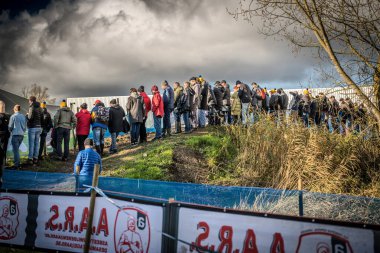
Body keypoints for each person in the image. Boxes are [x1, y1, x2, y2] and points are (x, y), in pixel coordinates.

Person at [26, 96, 43, 165]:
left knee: (31, 144)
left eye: (29, 100)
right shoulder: (40, 108)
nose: (28, 102)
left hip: (32, 127)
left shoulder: (31, 107)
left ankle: (30, 158)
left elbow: (30, 118)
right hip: (39, 127)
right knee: (37, 144)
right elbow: (42, 117)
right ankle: (35, 158)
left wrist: (27, 115)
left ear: (31, 101)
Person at [8, 105, 26, 169]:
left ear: (15, 109)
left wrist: (9, 131)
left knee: (15, 151)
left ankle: (16, 165)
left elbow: (10, 127)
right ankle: (17, 163)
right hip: (21, 135)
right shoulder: (23, 116)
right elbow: (24, 127)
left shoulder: (13, 116)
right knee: (16, 150)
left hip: (15, 135)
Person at [0, 101, 10, 176]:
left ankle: (4, 164)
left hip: (5, 136)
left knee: (4, 151)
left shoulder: (8, 116)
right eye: (1, 106)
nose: (3, 107)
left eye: (4, 106)